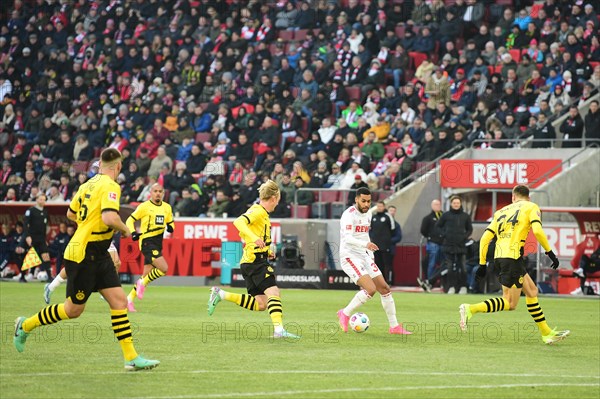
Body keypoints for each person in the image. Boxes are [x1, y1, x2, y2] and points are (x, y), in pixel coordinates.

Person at [14, 148, 159, 370]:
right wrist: (126, 229)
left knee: (119, 301)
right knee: (73, 310)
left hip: (97, 252)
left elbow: (71, 213)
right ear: (118, 166)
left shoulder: (87, 185)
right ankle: (25, 325)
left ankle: (131, 357)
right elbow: (110, 217)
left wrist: (88, 224)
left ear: (99, 165)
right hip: (84, 254)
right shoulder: (111, 186)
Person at [459, 185, 569, 345]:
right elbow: (537, 231)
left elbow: (484, 239)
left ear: (513, 197)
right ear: (528, 197)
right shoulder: (531, 207)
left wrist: (482, 264)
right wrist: (550, 253)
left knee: (532, 291)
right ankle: (470, 309)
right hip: (512, 258)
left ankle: (546, 333)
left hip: (501, 257)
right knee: (510, 303)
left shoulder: (500, 212)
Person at [207, 180, 300, 339]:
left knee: (261, 304)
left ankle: (221, 294)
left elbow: (254, 236)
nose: (277, 204)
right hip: (255, 261)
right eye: (277, 201)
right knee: (274, 292)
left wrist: (266, 249)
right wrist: (255, 238)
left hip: (251, 260)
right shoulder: (258, 211)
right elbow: (238, 222)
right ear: (273, 198)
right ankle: (279, 331)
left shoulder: (262, 214)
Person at [336, 187, 411, 335]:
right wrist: (366, 245)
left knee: (384, 288)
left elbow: (364, 236)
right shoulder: (348, 215)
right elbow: (348, 238)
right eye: (363, 201)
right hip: (349, 256)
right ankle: (344, 313)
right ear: (356, 199)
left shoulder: (368, 214)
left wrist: (369, 255)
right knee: (370, 289)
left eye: (369, 201)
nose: (366, 204)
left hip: (364, 255)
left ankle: (394, 326)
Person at [125, 184, 174, 312]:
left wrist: (171, 227)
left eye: (160, 191)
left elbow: (170, 221)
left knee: (146, 275)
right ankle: (141, 284)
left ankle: (129, 300)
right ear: (151, 192)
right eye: (155, 191)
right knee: (164, 268)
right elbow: (129, 220)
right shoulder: (144, 206)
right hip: (147, 241)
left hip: (158, 242)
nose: (158, 193)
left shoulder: (167, 207)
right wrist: (133, 232)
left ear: (163, 193)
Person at [437, 195, 472, 294]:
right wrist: (444, 235)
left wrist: (464, 236)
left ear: (460, 204)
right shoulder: (445, 215)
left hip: (461, 245)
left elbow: (470, 229)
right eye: (454, 203)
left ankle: (463, 287)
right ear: (451, 204)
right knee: (450, 268)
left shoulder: (465, 216)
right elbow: (438, 226)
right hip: (448, 245)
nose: (456, 205)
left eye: (458, 203)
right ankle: (451, 287)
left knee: (463, 268)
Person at [22, 192, 51, 281]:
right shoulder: (30, 211)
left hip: (41, 238)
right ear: (37, 200)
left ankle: (50, 277)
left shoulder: (45, 212)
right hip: (32, 237)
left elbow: (47, 226)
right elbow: (25, 224)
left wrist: (45, 238)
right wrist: (27, 236)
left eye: (44, 200)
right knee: (29, 256)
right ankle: (22, 276)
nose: (42, 201)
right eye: (41, 199)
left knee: (46, 255)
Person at [417, 199, 444, 292]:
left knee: (443, 264)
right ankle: (429, 283)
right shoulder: (427, 218)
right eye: (435, 204)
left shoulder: (444, 216)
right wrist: (430, 236)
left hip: (444, 243)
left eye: (439, 204)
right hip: (433, 243)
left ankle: (442, 283)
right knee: (431, 263)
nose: (437, 206)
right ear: (432, 206)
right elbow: (423, 230)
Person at [369, 201, 397, 284]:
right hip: (375, 246)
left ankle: (389, 281)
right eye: (378, 206)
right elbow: (370, 230)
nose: (379, 208)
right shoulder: (373, 217)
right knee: (378, 264)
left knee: (387, 264)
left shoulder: (388, 216)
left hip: (386, 246)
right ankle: (381, 281)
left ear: (384, 207)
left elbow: (393, 229)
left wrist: (387, 240)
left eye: (381, 206)